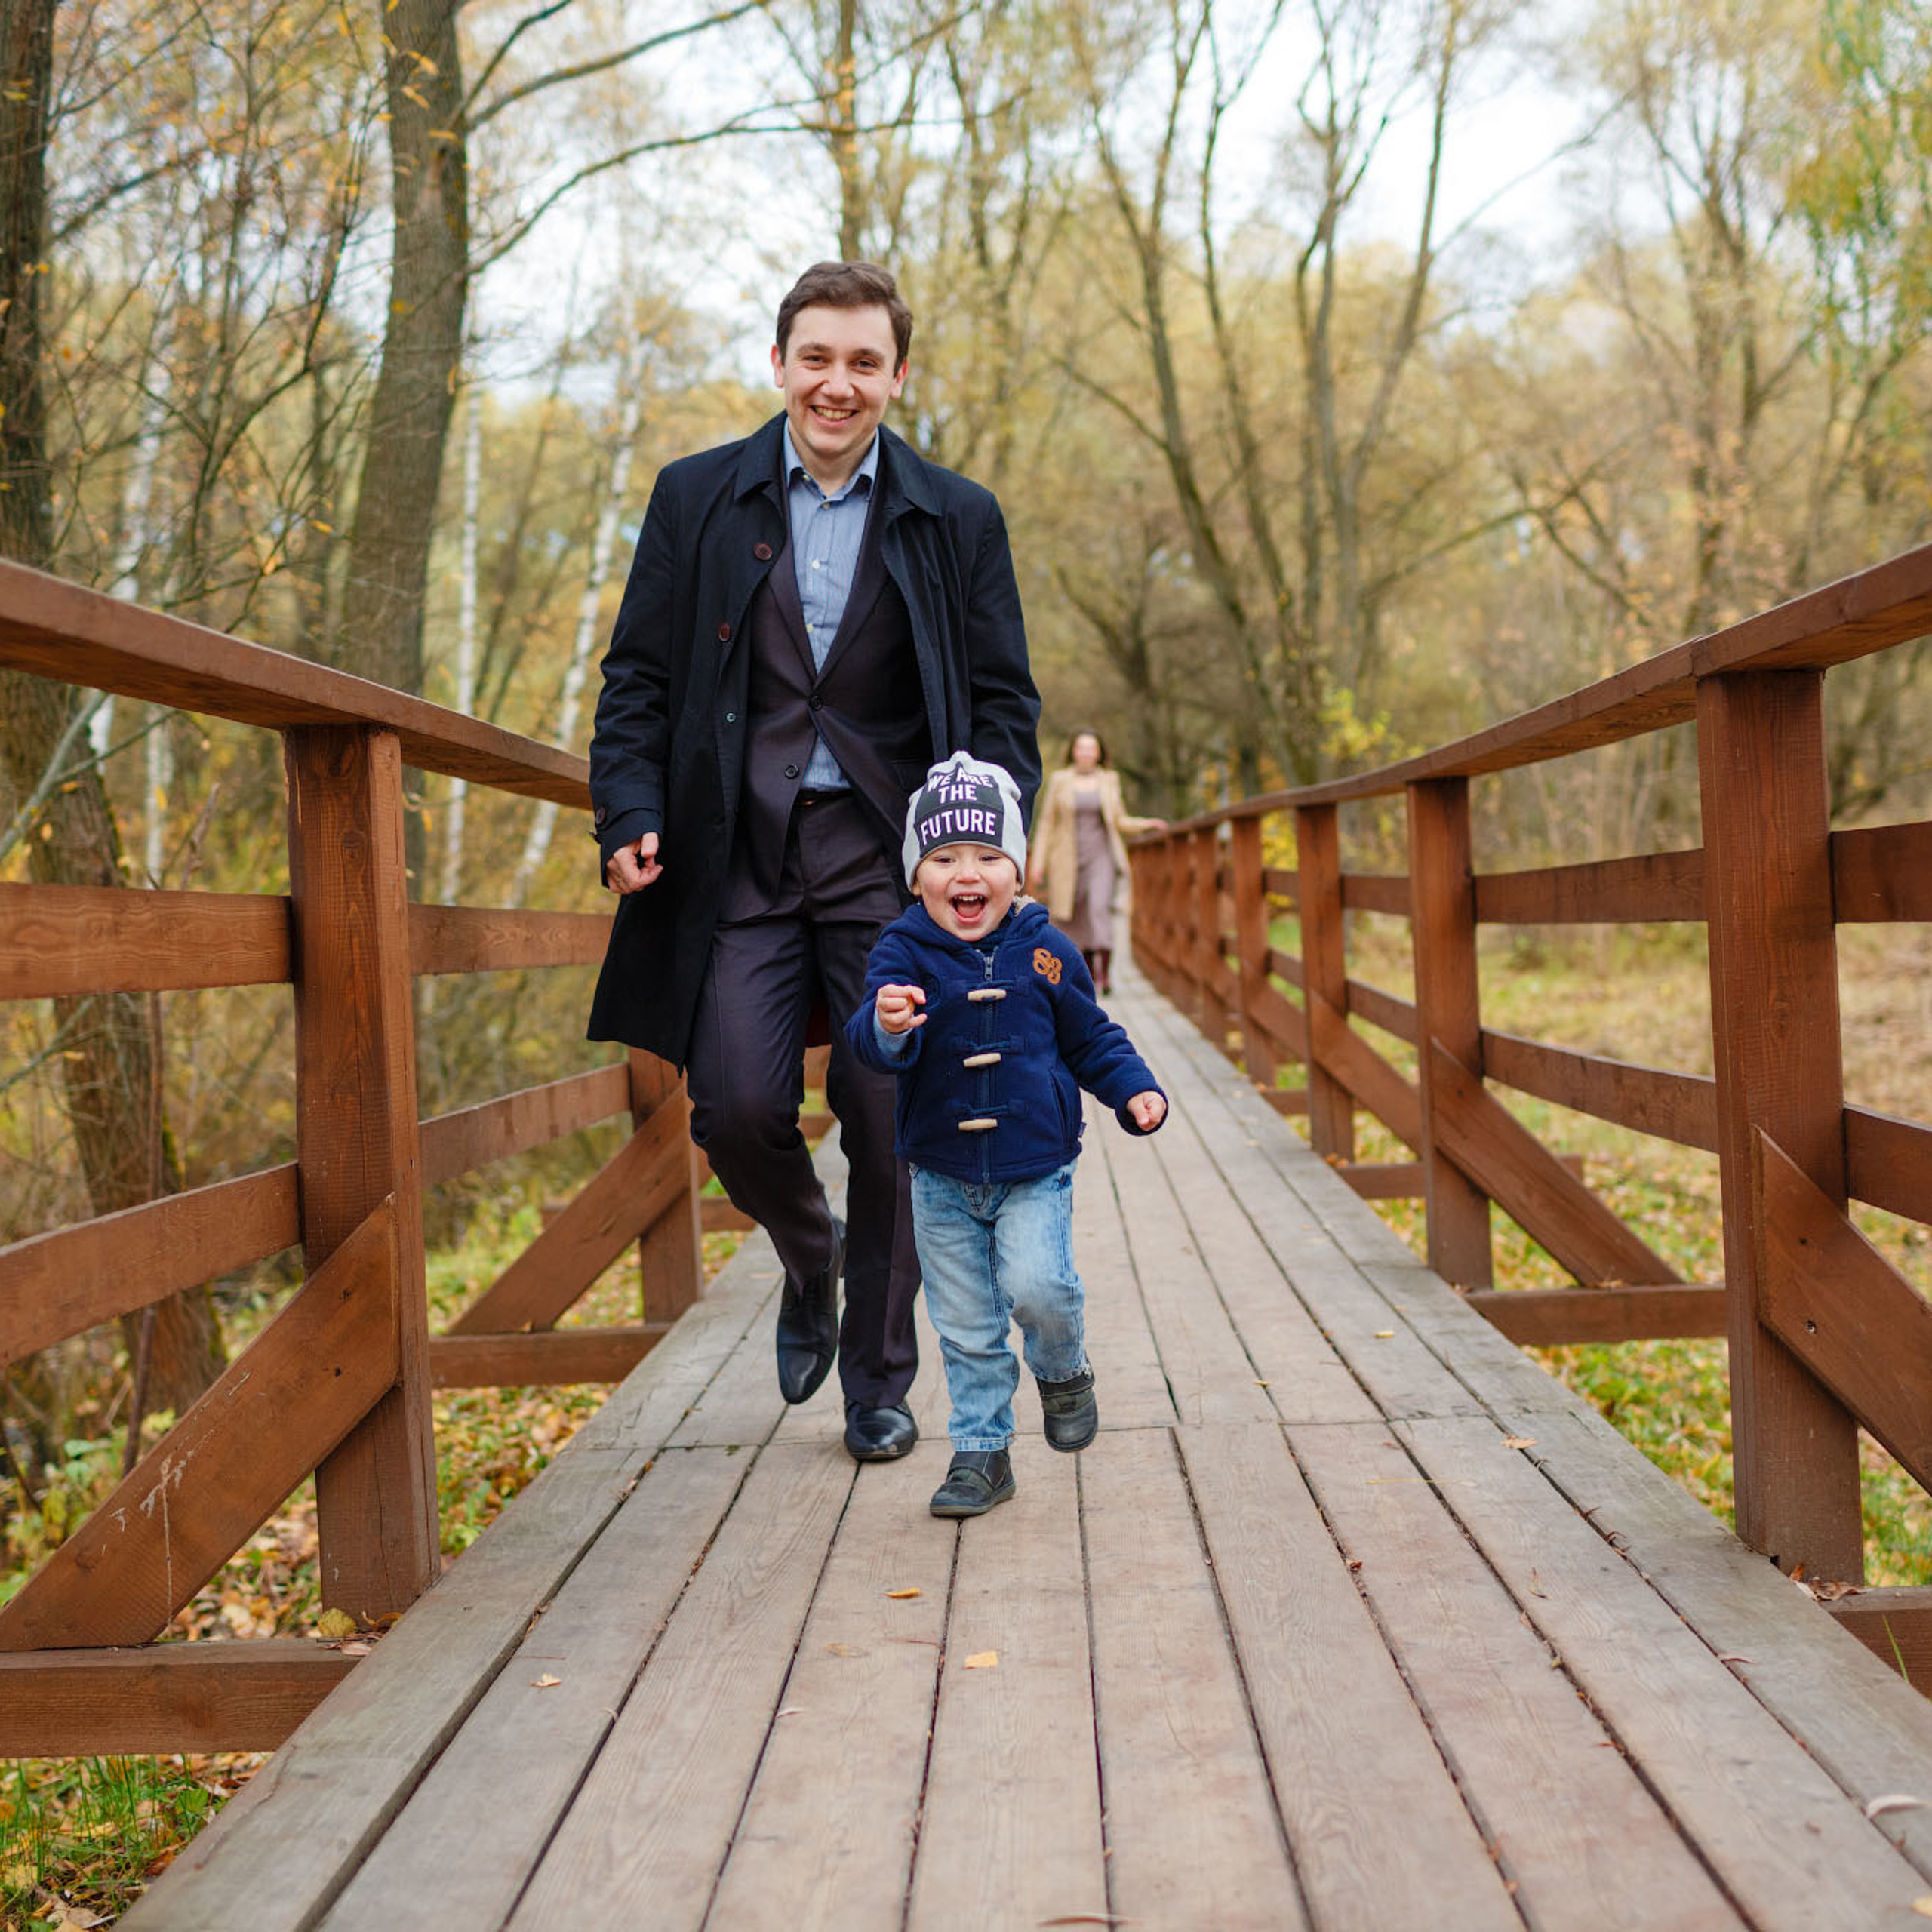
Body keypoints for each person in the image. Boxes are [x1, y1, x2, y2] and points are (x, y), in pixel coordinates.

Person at [586, 262, 1041, 1466]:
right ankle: (811, 1255)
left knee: (889, 1108)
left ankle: (880, 1384)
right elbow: (636, 676)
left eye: (864, 363)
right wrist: (626, 805)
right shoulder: (697, 499)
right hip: (737, 853)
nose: (838, 385)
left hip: (894, 867)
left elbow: (1002, 706)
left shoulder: (959, 517)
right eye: (816, 358)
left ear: (899, 375)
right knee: (734, 1103)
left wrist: (991, 851)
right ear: (779, 361)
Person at [848, 754, 1167, 1518]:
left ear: (1017, 872)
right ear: (916, 875)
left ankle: (1063, 1370)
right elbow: (868, 1039)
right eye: (944, 857)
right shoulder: (901, 951)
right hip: (938, 1172)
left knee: (1040, 1288)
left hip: (1032, 1167)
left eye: (988, 856)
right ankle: (982, 1455)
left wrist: (1136, 1090)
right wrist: (888, 1025)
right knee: (964, 1326)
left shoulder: (1046, 948)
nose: (968, 873)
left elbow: (1092, 1039)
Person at [1027, 729, 1165, 994]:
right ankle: (1089, 976)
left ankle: (1107, 976)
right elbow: (1047, 823)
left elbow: (1119, 820)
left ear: (1099, 752)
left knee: (1098, 909)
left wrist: (1146, 824)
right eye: (1081, 748)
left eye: (1092, 748)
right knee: (1076, 917)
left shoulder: (1110, 779)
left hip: (1101, 856)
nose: (1087, 753)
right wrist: (1039, 864)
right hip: (1066, 858)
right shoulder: (1060, 780)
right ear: (1073, 751)